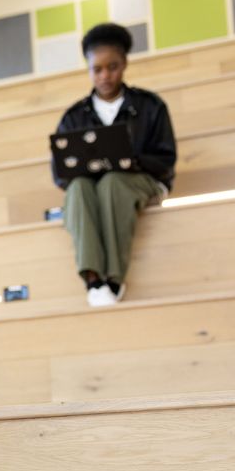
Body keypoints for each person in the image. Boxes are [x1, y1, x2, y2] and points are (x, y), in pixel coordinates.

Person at [55, 22, 177, 307]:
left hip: (140, 181)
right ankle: (93, 279)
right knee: (78, 189)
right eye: (97, 69)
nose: (105, 75)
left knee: (113, 182)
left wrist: (130, 161)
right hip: (93, 186)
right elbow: (60, 173)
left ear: (124, 64)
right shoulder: (73, 116)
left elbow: (165, 161)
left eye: (112, 67)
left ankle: (114, 279)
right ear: (89, 69)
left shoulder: (151, 106)